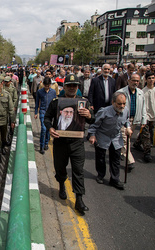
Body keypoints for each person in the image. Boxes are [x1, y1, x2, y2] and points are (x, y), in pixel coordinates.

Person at [44, 74, 94, 214]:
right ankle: (61, 185)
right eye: (69, 85)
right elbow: (47, 118)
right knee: (60, 167)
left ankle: (79, 199)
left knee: (78, 170)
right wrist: (50, 128)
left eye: (75, 85)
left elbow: (92, 120)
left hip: (77, 143)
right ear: (64, 87)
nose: (72, 88)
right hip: (60, 142)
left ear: (78, 87)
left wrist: (89, 115)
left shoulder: (83, 102)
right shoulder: (56, 102)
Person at [88, 92, 132, 190]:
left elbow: (127, 120)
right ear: (113, 102)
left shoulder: (125, 111)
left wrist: (128, 127)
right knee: (101, 157)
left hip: (116, 137)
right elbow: (94, 125)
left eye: (124, 103)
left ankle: (115, 179)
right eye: (119, 104)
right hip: (102, 136)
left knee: (115, 158)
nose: (122, 106)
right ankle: (100, 174)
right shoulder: (104, 111)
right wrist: (92, 135)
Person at [116, 74, 147, 172]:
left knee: (127, 138)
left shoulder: (141, 93)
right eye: (133, 80)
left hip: (135, 119)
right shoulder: (121, 92)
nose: (135, 83)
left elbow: (143, 107)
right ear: (129, 81)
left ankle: (120, 152)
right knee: (125, 140)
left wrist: (143, 120)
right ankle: (130, 161)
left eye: (137, 81)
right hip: (123, 119)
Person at [133, 72, 155, 163]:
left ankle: (137, 143)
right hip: (145, 116)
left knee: (151, 131)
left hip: (154, 115)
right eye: (149, 78)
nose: (151, 80)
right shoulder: (142, 92)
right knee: (146, 135)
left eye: (153, 78)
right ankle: (147, 153)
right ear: (145, 79)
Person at [35, 77, 56, 154]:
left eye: (48, 85)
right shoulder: (40, 92)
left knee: (48, 129)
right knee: (43, 129)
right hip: (42, 111)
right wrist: (35, 112)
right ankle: (41, 145)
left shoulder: (53, 92)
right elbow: (37, 102)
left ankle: (46, 143)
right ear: (43, 85)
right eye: (46, 85)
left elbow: (55, 103)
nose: (47, 87)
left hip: (50, 113)